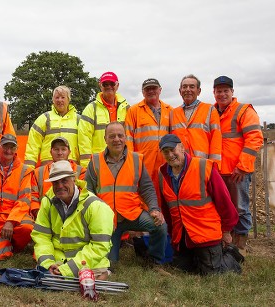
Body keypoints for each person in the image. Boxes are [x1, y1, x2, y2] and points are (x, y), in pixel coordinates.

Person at [158, 134, 242, 275]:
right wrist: (172, 235)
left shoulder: (204, 167)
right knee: (183, 270)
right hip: (182, 236)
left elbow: (225, 202)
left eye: (173, 150)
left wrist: (226, 231)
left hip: (206, 234)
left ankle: (231, 256)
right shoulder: (162, 174)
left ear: (182, 148)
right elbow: (167, 209)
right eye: (166, 152)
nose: (170, 155)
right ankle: (201, 258)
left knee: (210, 274)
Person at [85, 122, 167, 265]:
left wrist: (154, 209)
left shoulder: (136, 159)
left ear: (125, 137)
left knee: (160, 226)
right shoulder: (95, 161)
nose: (116, 139)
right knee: (110, 264)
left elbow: (147, 188)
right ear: (105, 139)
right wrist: (96, 217)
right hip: (108, 220)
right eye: (112, 136)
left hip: (133, 214)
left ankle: (154, 261)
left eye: (120, 135)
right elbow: (88, 192)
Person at [31, 160, 114, 279]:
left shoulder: (96, 206)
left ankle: (101, 274)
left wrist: (68, 269)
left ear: (74, 179)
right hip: (57, 261)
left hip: (87, 262)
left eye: (64, 180)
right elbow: (41, 237)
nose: (60, 186)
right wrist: (48, 264)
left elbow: (99, 246)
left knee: (85, 280)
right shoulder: (47, 202)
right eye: (55, 182)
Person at [213, 76, 264, 255]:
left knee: (240, 208)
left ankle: (240, 245)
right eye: (219, 91)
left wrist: (242, 166)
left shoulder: (243, 110)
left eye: (226, 90)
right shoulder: (212, 111)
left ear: (232, 92)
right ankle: (226, 242)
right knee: (221, 207)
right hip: (218, 171)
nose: (222, 94)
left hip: (237, 172)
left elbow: (255, 139)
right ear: (214, 93)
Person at [0, 134, 34, 260]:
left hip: (16, 217)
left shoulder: (25, 170)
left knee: (27, 228)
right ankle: (2, 244)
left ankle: (15, 246)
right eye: (5, 146)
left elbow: (24, 200)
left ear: (17, 149)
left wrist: (10, 221)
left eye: (12, 147)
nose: (8, 151)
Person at [125, 78, 172, 203]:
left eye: (154, 88)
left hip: (166, 161)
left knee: (167, 195)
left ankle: (165, 221)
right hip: (144, 162)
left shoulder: (170, 110)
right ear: (143, 92)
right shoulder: (134, 111)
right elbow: (128, 137)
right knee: (144, 195)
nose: (151, 91)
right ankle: (148, 221)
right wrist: (131, 162)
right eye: (147, 89)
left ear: (160, 90)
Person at [78, 71, 129, 167]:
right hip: (99, 162)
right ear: (100, 86)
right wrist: (86, 166)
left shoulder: (127, 108)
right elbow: (84, 138)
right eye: (105, 84)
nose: (109, 86)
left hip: (123, 161)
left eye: (112, 84)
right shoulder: (91, 109)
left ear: (117, 85)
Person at [170, 74, 222, 168]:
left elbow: (216, 140)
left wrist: (214, 167)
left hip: (202, 166)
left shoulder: (209, 110)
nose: (188, 90)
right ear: (180, 91)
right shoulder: (173, 113)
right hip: (179, 167)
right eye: (184, 87)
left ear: (199, 91)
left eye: (192, 86)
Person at [24, 85, 81, 169]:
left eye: (63, 97)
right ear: (53, 100)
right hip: (48, 168)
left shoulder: (79, 120)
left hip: (72, 167)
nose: (60, 100)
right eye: (57, 97)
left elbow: (84, 146)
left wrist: (85, 168)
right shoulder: (44, 118)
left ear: (68, 99)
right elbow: (33, 146)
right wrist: (28, 170)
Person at [30, 136, 86, 219]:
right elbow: (32, 197)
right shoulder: (38, 173)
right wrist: (40, 214)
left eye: (63, 149)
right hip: (44, 215)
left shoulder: (81, 171)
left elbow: (83, 196)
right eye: (56, 149)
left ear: (69, 152)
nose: (60, 153)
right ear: (50, 152)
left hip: (73, 216)